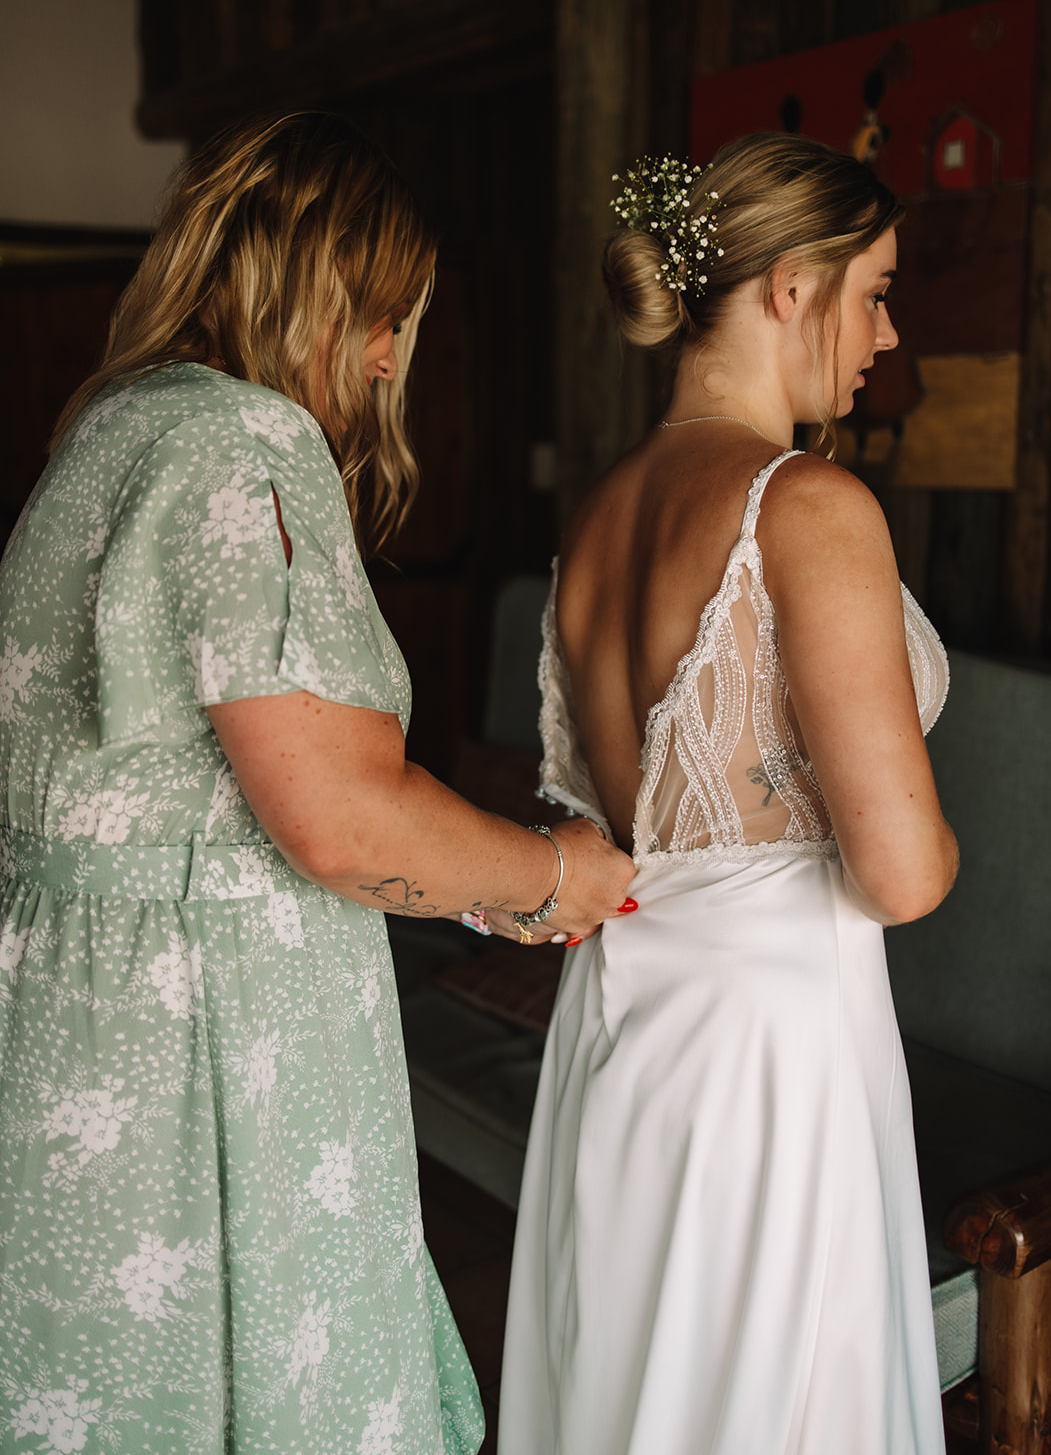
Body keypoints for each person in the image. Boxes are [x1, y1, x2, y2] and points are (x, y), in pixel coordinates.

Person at [0, 111, 634, 1455]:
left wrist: (480, 898)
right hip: (203, 1059)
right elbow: (339, 819)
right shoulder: (242, 444)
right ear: (297, 284)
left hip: (79, 1032)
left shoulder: (109, 434)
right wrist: (558, 872)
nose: (395, 355)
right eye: (382, 312)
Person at [497, 135, 959, 1455]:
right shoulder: (805, 508)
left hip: (622, 1030)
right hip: (769, 1054)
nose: (885, 330)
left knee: (642, 1378)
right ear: (789, 288)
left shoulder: (599, 515)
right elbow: (905, 874)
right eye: (873, 289)